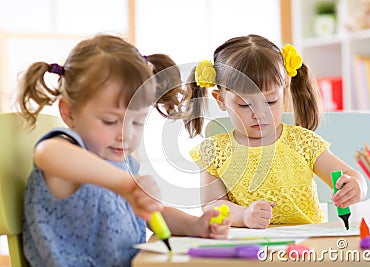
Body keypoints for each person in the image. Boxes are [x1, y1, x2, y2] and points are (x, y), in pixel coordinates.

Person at [18, 34, 230, 267]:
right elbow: (47, 153)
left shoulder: (121, 165)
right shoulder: (66, 156)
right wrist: (128, 185)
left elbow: (156, 214)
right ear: (69, 113)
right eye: (110, 121)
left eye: (137, 122)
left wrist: (195, 225)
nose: (125, 134)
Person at [185, 34, 367, 228]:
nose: (259, 113)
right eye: (245, 105)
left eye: (270, 101)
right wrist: (244, 215)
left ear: (284, 89)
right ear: (220, 100)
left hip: (308, 243)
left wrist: (356, 186)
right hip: (250, 246)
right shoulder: (215, 152)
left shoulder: (303, 142)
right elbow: (211, 204)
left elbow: (351, 175)